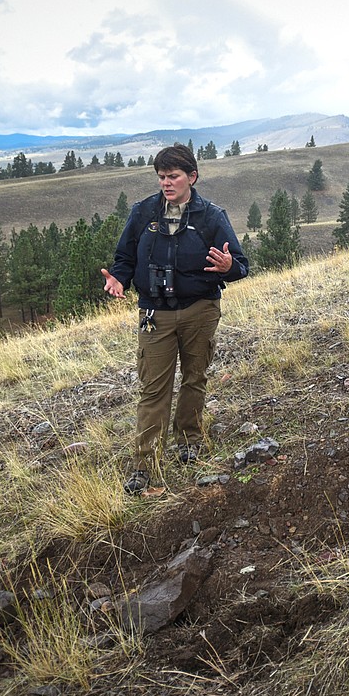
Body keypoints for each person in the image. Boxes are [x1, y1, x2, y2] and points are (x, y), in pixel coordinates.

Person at [101, 144, 248, 493]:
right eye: (161, 177)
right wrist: (119, 278)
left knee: (195, 378)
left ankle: (189, 443)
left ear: (192, 177)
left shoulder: (212, 216)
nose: (166, 183)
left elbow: (240, 266)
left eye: (173, 176)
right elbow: (124, 257)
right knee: (153, 389)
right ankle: (145, 464)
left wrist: (229, 268)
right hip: (155, 313)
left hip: (200, 310)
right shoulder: (143, 213)